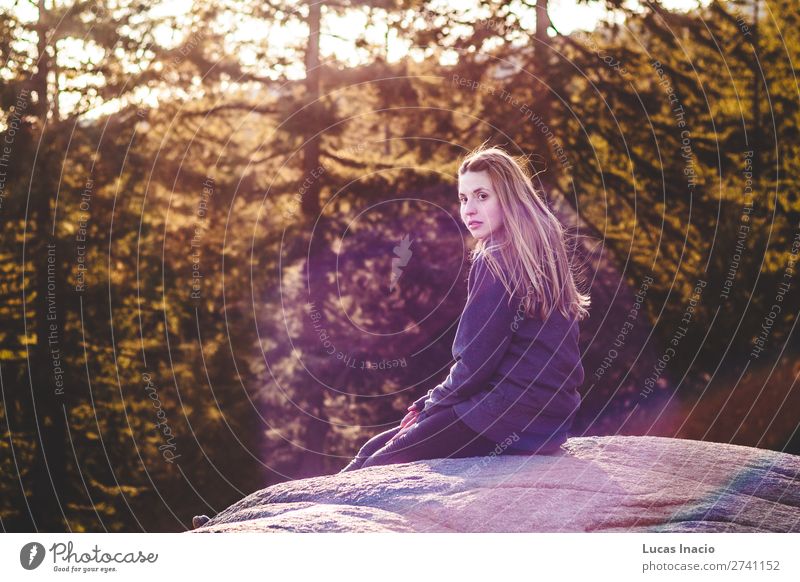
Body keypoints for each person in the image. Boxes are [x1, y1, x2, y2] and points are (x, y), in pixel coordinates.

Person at [339, 145, 590, 473]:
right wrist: (426, 405)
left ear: (509, 198)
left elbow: (475, 364)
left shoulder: (497, 259)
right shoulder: (541, 251)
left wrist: (430, 406)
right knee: (377, 445)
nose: (469, 210)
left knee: (379, 463)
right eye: (463, 198)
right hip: (550, 423)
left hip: (507, 417)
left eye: (482, 196)